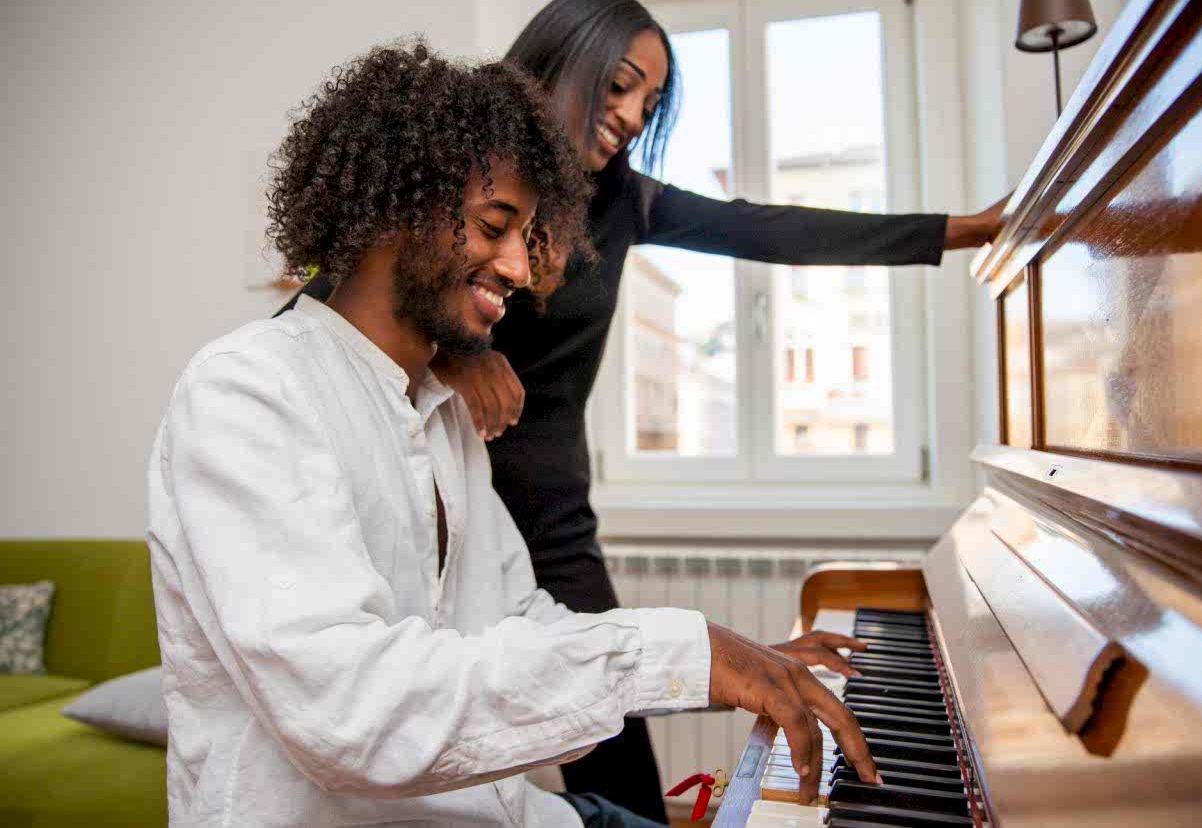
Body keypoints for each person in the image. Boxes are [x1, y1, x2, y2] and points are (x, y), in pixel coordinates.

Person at [281, 0, 1005, 821]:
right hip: (437, 485)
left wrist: (955, 230)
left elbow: (768, 227)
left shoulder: (625, 202)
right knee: (430, 741)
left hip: (546, 521)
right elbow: (340, 308)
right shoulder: (452, 168)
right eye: (619, 84)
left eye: (649, 103)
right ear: (563, 60)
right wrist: (459, 354)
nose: (630, 114)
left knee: (615, 773)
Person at [150, 43, 876, 828]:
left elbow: (519, 617)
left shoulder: (445, 413)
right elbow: (350, 713)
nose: (521, 269)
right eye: (497, 226)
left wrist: (727, 661)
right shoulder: (248, 392)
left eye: (525, 233)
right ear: (401, 207)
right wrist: (680, 652)